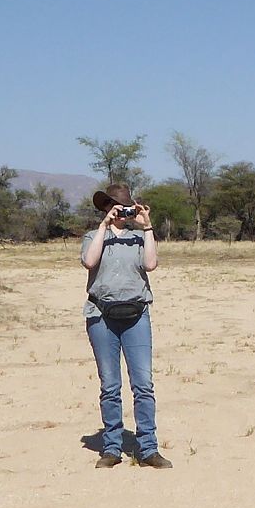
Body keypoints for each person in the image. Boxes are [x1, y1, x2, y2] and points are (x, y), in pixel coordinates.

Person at [81, 183, 172, 469]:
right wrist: (103, 227)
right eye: (114, 208)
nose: (120, 213)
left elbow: (151, 264)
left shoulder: (138, 237)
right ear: (106, 208)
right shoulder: (93, 236)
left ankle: (148, 448)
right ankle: (111, 448)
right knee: (110, 385)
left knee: (143, 384)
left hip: (136, 315)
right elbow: (89, 261)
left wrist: (147, 228)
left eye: (125, 208)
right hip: (101, 316)